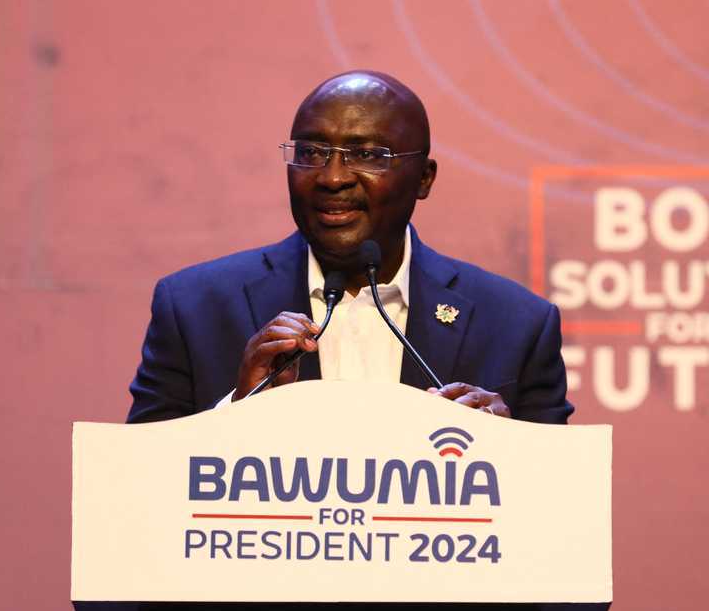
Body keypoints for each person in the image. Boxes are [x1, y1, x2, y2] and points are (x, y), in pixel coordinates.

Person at [127, 70, 572, 425]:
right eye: (312, 151)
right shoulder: (194, 308)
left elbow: (561, 513)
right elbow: (137, 491)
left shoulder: (516, 326)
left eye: (367, 155)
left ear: (424, 179)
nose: (332, 177)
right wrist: (240, 410)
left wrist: (512, 454)